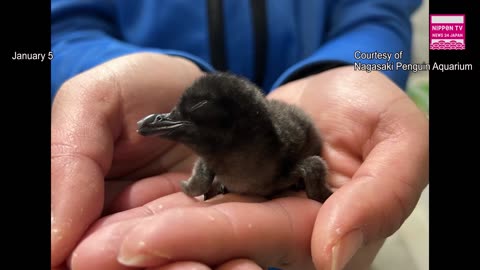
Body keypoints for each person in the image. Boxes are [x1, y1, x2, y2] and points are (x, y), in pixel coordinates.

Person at [51, 1, 429, 269]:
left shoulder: (283, 154)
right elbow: (59, 29)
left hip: (287, 164)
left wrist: (361, 66)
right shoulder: (211, 158)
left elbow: (386, 12)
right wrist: (97, 68)